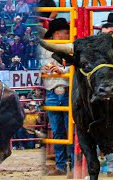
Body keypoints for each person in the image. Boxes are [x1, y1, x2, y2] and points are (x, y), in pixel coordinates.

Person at [39, 18, 74, 176]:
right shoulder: (44, 51)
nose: (65, 34)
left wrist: (62, 71)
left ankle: (72, 165)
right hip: (54, 91)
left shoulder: (70, 48)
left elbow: (75, 67)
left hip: (66, 91)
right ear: (55, 34)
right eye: (63, 32)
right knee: (59, 132)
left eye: (66, 32)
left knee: (69, 131)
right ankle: (62, 166)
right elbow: (38, 68)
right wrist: (44, 68)